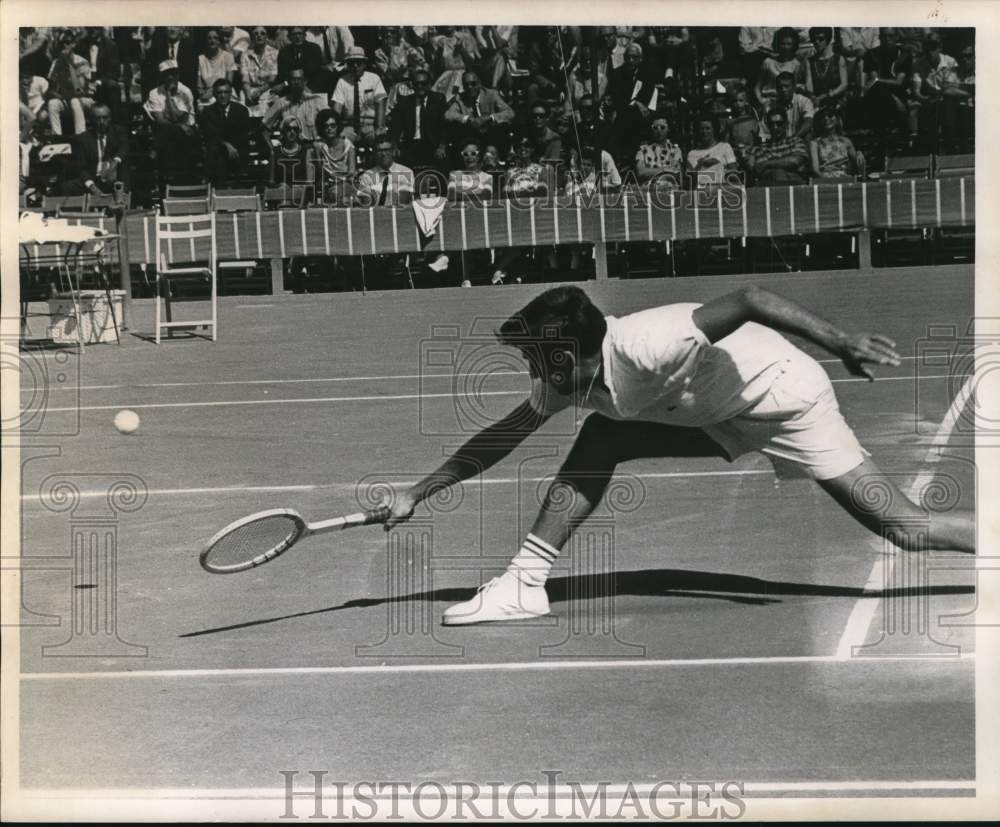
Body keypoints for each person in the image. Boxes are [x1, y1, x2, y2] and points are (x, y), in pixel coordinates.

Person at [383, 285, 975, 624]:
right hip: (717, 413)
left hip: (788, 400)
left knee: (907, 529)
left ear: (567, 356)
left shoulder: (650, 343)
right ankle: (523, 583)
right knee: (603, 436)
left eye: (534, 358)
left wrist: (842, 341)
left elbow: (749, 298)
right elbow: (499, 437)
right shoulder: (566, 379)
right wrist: (416, 492)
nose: (528, 370)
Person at [144, 59, 199, 183]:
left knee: (169, 136)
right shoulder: (154, 93)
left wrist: (168, 96)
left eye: (173, 73)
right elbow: (160, 120)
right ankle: (170, 181)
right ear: (162, 77)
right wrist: (168, 94)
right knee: (168, 135)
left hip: (187, 132)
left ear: (178, 74)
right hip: (168, 131)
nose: (170, 77)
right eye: (166, 74)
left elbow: (177, 117)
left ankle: (155, 149)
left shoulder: (186, 92)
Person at [388, 69, 448, 170]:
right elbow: (395, 126)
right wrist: (394, 146)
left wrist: (442, 146)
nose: (420, 87)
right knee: (397, 164)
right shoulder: (405, 102)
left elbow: (444, 126)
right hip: (411, 144)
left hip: (432, 144)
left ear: (429, 84)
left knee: (444, 162)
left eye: (423, 83)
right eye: (416, 84)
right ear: (412, 85)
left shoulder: (438, 99)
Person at [66, 103, 129, 196]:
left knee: (125, 176)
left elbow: (124, 147)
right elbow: (81, 168)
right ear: (91, 120)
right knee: (67, 186)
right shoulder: (83, 139)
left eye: (105, 117)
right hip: (94, 178)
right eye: (98, 118)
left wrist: (115, 163)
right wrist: (92, 187)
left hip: (114, 177)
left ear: (110, 118)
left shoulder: (118, 132)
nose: (101, 122)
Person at [331, 46, 388, 147]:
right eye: (352, 63)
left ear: (364, 64)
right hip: (349, 126)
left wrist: (379, 127)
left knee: (379, 142)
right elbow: (337, 109)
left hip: (370, 125)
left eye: (359, 62)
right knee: (339, 143)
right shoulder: (342, 81)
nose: (355, 66)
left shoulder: (374, 78)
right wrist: (336, 129)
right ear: (347, 65)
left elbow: (380, 103)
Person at [200, 78, 250, 187]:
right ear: (214, 94)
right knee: (218, 156)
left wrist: (230, 146)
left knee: (217, 155)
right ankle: (219, 192)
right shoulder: (208, 112)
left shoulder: (241, 111)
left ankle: (209, 182)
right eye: (219, 92)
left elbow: (242, 135)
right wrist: (226, 145)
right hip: (217, 152)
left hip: (237, 153)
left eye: (226, 92)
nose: (222, 96)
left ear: (231, 93)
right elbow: (210, 134)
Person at [46, 32, 94, 136]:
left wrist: (68, 64)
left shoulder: (81, 62)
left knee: (74, 101)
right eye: (61, 43)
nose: (64, 46)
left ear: (73, 44)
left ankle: (81, 135)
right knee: (53, 103)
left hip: (85, 100)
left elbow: (79, 90)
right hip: (65, 99)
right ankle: (57, 137)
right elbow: (51, 89)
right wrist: (56, 95)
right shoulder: (56, 62)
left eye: (67, 42)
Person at [745, 108, 808, 185]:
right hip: (771, 188)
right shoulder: (760, 148)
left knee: (778, 173)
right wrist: (785, 164)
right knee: (777, 174)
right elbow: (759, 169)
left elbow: (795, 161)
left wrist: (767, 164)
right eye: (772, 124)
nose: (775, 127)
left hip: (795, 187)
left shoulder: (795, 142)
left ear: (786, 124)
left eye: (779, 123)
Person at [263, 68, 327, 140]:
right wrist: (272, 149)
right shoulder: (280, 103)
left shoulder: (316, 101)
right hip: (290, 148)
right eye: (293, 79)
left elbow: (331, 122)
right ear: (289, 82)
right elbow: (264, 129)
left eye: (299, 79)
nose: (296, 82)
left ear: (305, 81)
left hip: (311, 147)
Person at [354, 137, 414, 207]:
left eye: (387, 150)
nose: (383, 154)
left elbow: (403, 202)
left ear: (393, 152)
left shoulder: (405, 172)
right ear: (375, 153)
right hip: (375, 215)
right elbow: (366, 204)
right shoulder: (368, 175)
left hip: (398, 214)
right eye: (379, 150)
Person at [312, 108, 355, 206]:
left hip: (346, 184)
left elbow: (352, 172)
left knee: (337, 193)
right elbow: (319, 173)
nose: (329, 129)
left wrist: (339, 180)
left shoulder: (348, 146)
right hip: (328, 186)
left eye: (333, 125)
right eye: (326, 126)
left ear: (338, 127)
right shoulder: (321, 147)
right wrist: (317, 154)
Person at [809, 107, 864, 180]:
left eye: (830, 116)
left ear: (837, 120)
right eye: (822, 118)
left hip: (844, 179)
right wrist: (831, 181)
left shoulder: (846, 141)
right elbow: (815, 171)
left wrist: (859, 154)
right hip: (824, 180)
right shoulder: (815, 143)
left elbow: (856, 168)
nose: (826, 119)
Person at [686, 115, 738, 187]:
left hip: (721, 191)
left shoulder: (725, 147)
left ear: (714, 130)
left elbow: (734, 174)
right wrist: (700, 165)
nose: (704, 132)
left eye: (708, 128)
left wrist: (717, 163)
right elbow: (689, 181)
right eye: (701, 129)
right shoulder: (692, 153)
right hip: (699, 193)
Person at [803, 27, 848, 111]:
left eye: (821, 39)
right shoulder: (810, 61)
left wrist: (828, 95)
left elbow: (844, 85)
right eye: (814, 39)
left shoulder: (839, 59)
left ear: (828, 39)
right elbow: (809, 85)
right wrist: (814, 98)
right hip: (817, 102)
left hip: (836, 100)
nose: (817, 42)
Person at [240, 26, 280, 118]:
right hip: (250, 89)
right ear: (252, 38)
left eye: (262, 33)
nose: (259, 36)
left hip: (267, 89)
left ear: (266, 37)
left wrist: (259, 91)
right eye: (256, 34)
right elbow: (245, 79)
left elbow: (272, 79)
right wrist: (248, 94)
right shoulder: (245, 54)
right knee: (245, 110)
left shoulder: (275, 53)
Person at [634, 116, 684, 189]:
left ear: (668, 129)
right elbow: (641, 172)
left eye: (662, 127)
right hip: (649, 191)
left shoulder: (676, 150)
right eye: (655, 128)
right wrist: (664, 169)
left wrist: (650, 172)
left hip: (669, 191)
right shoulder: (642, 149)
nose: (659, 131)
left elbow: (676, 173)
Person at [196, 28, 237, 106]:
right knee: (200, 108)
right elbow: (199, 85)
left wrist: (212, 91)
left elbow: (229, 83)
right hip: (207, 96)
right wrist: (202, 94)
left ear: (219, 40)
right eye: (209, 38)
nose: (212, 41)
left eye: (215, 38)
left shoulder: (228, 57)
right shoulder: (201, 59)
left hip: (225, 93)